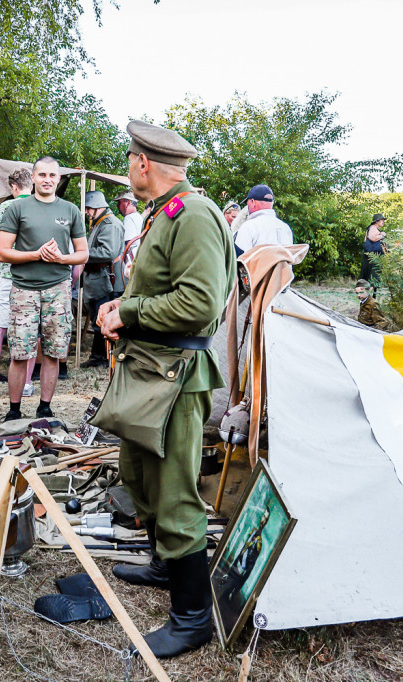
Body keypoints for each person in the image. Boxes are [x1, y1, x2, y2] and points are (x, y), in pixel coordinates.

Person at [97, 120, 234, 658]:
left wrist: (127, 311)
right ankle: (162, 563)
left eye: (130, 159)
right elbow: (157, 289)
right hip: (151, 369)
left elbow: (201, 305)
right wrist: (123, 309)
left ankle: (193, 616)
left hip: (175, 376)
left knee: (175, 492)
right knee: (140, 473)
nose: (129, 167)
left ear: (143, 163)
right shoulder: (163, 214)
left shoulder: (192, 214)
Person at [0, 156, 88, 421]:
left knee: (53, 352)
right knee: (20, 352)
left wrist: (60, 259)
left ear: (58, 179)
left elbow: (82, 254)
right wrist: (36, 254)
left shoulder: (71, 210)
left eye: (52, 176)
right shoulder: (17, 208)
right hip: (24, 289)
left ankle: (44, 407)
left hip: (58, 289)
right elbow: (3, 252)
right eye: (42, 175)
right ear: (33, 177)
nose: (47, 180)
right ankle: (14, 410)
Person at [0, 169, 34, 398]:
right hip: (31, 277)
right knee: (29, 331)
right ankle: (28, 383)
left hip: (8, 274)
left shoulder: (5, 207)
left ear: (13, 187)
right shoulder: (41, 206)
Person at [81, 190, 125, 368]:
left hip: (106, 279)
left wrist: (81, 254)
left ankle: (104, 359)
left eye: (88, 208)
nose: (86, 212)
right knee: (97, 318)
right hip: (98, 278)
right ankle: (98, 357)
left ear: (96, 206)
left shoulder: (109, 224)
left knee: (104, 319)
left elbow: (108, 252)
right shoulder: (100, 222)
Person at [233, 184, 293, 252]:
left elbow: (241, 259)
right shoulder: (285, 227)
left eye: (247, 203)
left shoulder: (248, 227)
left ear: (253, 202)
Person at [360, 213, 387, 283]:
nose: (383, 221)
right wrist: (382, 235)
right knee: (371, 274)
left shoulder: (374, 228)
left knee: (370, 274)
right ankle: (369, 290)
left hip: (372, 254)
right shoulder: (373, 228)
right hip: (371, 255)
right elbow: (372, 238)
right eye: (382, 220)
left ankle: (370, 290)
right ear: (376, 221)